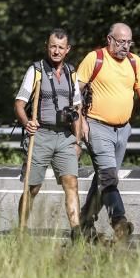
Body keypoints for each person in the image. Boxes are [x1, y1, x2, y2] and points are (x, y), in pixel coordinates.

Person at [77, 23, 140, 242]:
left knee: (104, 179)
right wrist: (81, 121)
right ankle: (119, 222)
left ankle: (85, 220)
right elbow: (75, 92)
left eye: (129, 42)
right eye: (121, 41)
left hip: (123, 130)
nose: (125, 46)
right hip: (96, 126)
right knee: (109, 177)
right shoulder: (94, 58)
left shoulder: (134, 61)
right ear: (109, 39)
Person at [13, 28, 84, 239]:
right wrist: (27, 123)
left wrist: (78, 141)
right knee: (32, 187)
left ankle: (76, 232)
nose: (56, 51)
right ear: (47, 46)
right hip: (41, 135)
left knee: (71, 183)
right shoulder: (35, 70)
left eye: (61, 47)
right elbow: (19, 104)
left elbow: (78, 109)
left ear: (67, 50)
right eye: (53, 46)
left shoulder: (72, 73)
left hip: (65, 137)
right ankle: (22, 230)